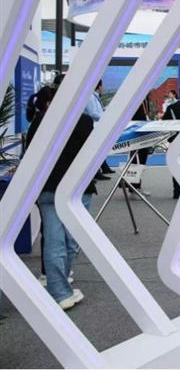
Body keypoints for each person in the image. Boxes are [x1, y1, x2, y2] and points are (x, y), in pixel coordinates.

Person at [27, 86, 96, 310]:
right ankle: (62, 286)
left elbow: (30, 153)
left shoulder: (40, 121)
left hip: (47, 187)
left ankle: (60, 292)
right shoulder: (84, 121)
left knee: (53, 239)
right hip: (77, 188)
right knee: (70, 240)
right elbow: (91, 154)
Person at [83, 80, 113, 179]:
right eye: (102, 86)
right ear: (99, 86)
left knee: (97, 149)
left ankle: (102, 168)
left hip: (96, 126)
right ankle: (96, 173)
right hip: (92, 126)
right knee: (93, 151)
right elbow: (92, 113)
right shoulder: (91, 97)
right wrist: (105, 118)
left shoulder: (94, 97)